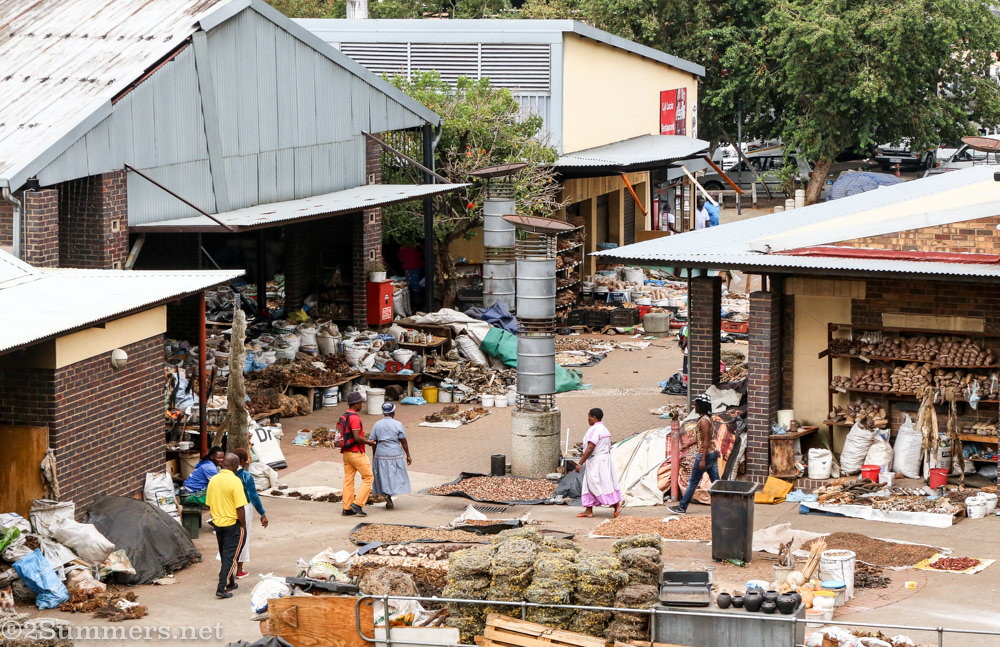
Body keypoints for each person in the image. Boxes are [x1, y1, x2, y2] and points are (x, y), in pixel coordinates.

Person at [668, 395, 720, 514]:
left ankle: (682, 506)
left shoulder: (703, 422)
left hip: (705, 455)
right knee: (717, 482)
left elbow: (706, 440)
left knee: (693, 482)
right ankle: (726, 505)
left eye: (696, 405)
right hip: (712, 454)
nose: (695, 407)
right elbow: (705, 439)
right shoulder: (707, 418)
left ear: (701, 406)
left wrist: (702, 459)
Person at [206, 453, 247, 599]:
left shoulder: (214, 480)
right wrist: (243, 526)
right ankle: (221, 587)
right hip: (232, 524)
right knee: (231, 556)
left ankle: (230, 582)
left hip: (218, 524)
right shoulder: (235, 481)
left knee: (225, 554)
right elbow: (240, 508)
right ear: (235, 464)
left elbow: (209, 503)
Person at [575, 408, 623, 518]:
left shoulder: (596, 430)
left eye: (589, 417)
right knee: (589, 484)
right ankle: (588, 510)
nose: (588, 419)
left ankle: (616, 503)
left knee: (597, 484)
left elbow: (591, 447)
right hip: (602, 460)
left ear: (594, 417)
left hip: (597, 461)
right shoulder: (604, 429)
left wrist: (580, 463)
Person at [232, 448, 268, 579]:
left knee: (229, 538)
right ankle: (239, 570)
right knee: (243, 538)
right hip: (243, 508)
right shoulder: (246, 476)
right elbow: (253, 497)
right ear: (241, 461)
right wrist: (262, 514)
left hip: (228, 508)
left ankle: (227, 568)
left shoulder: (225, 475)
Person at [369, 402, 413, 509]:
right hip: (395, 454)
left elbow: (373, 442)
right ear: (393, 413)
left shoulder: (377, 424)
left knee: (383, 475)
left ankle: (386, 493)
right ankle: (390, 493)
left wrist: (374, 455)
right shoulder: (398, 424)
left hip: (381, 454)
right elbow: (403, 440)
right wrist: (408, 455)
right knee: (396, 475)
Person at [340, 391, 376, 517]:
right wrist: (369, 442)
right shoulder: (354, 417)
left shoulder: (344, 416)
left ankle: (347, 507)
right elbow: (356, 437)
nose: (362, 405)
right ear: (356, 404)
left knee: (348, 480)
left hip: (346, 453)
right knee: (368, 477)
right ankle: (358, 503)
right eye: (361, 403)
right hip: (356, 453)